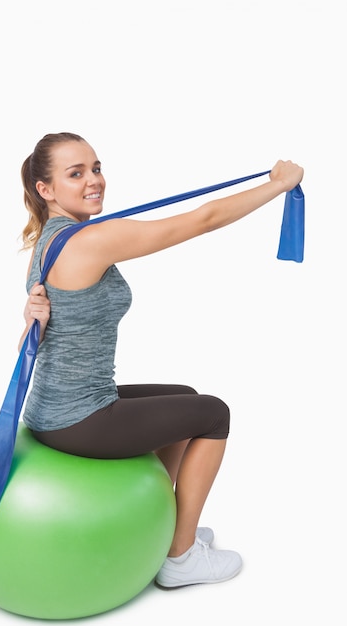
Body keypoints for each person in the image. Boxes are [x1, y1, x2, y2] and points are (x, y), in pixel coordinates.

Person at [18, 131, 303, 589]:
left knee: (186, 399)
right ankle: (181, 556)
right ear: (45, 189)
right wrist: (279, 185)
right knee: (214, 414)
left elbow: (31, 341)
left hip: (53, 409)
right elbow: (203, 220)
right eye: (76, 174)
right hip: (78, 418)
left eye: (95, 167)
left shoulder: (47, 240)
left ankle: (162, 523)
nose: (94, 180)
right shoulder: (93, 240)